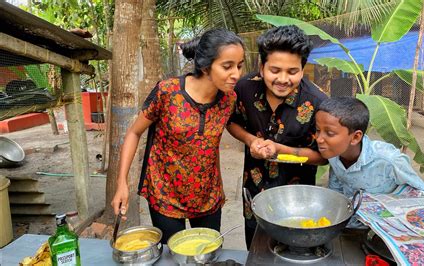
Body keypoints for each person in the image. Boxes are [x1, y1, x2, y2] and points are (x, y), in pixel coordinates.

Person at [111, 28, 245, 244]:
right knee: (172, 256)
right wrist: (122, 183)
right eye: (227, 66)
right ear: (205, 65)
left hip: (208, 197)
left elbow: (232, 126)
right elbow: (134, 132)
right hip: (165, 194)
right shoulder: (168, 92)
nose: (236, 74)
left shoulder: (229, 100)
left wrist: (253, 141)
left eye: (239, 66)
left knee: (206, 253)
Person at [226, 25, 328, 249]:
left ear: (303, 69)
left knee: (294, 255)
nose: (283, 79)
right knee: (256, 251)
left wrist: (281, 149)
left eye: (292, 72)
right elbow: (231, 122)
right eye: (275, 70)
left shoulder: (318, 103)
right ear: (262, 68)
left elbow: (323, 157)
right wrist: (251, 140)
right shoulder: (244, 88)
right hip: (253, 194)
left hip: (298, 203)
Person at [315, 96, 424, 198]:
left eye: (329, 133)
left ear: (355, 137)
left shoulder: (389, 160)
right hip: (352, 219)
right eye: (317, 130)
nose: (319, 139)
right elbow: (336, 191)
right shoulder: (334, 154)